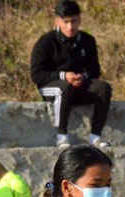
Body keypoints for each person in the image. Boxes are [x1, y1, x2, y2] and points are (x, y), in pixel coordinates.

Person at [30, 1, 112, 149]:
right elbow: (36, 74)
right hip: (52, 86)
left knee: (103, 88)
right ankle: (62, 137)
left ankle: (95, 136)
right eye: (65, 22)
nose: (70, 27)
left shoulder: (88, 40)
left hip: (77, 86)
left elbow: (95, 70)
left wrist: (83, 77)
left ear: (79, 20)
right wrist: (63, 76)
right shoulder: (46, 42)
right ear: (57, 21)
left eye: (73, 21)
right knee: (64, 88)